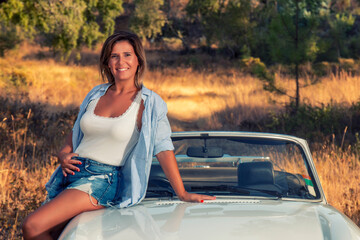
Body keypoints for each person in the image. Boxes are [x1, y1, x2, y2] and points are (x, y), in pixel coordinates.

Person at [22, 31, 216, 239]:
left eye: (127, 55)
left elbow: (163, 147)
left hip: (100, 180)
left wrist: (183, 193)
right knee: (54, 234)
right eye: (114, 56)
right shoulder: (96, 93)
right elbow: (77, 132)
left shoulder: (148, 103)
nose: (121, 61)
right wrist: (63, 153)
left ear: (138, 60)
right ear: (107, 62)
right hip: (69, 176)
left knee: (32, 226)